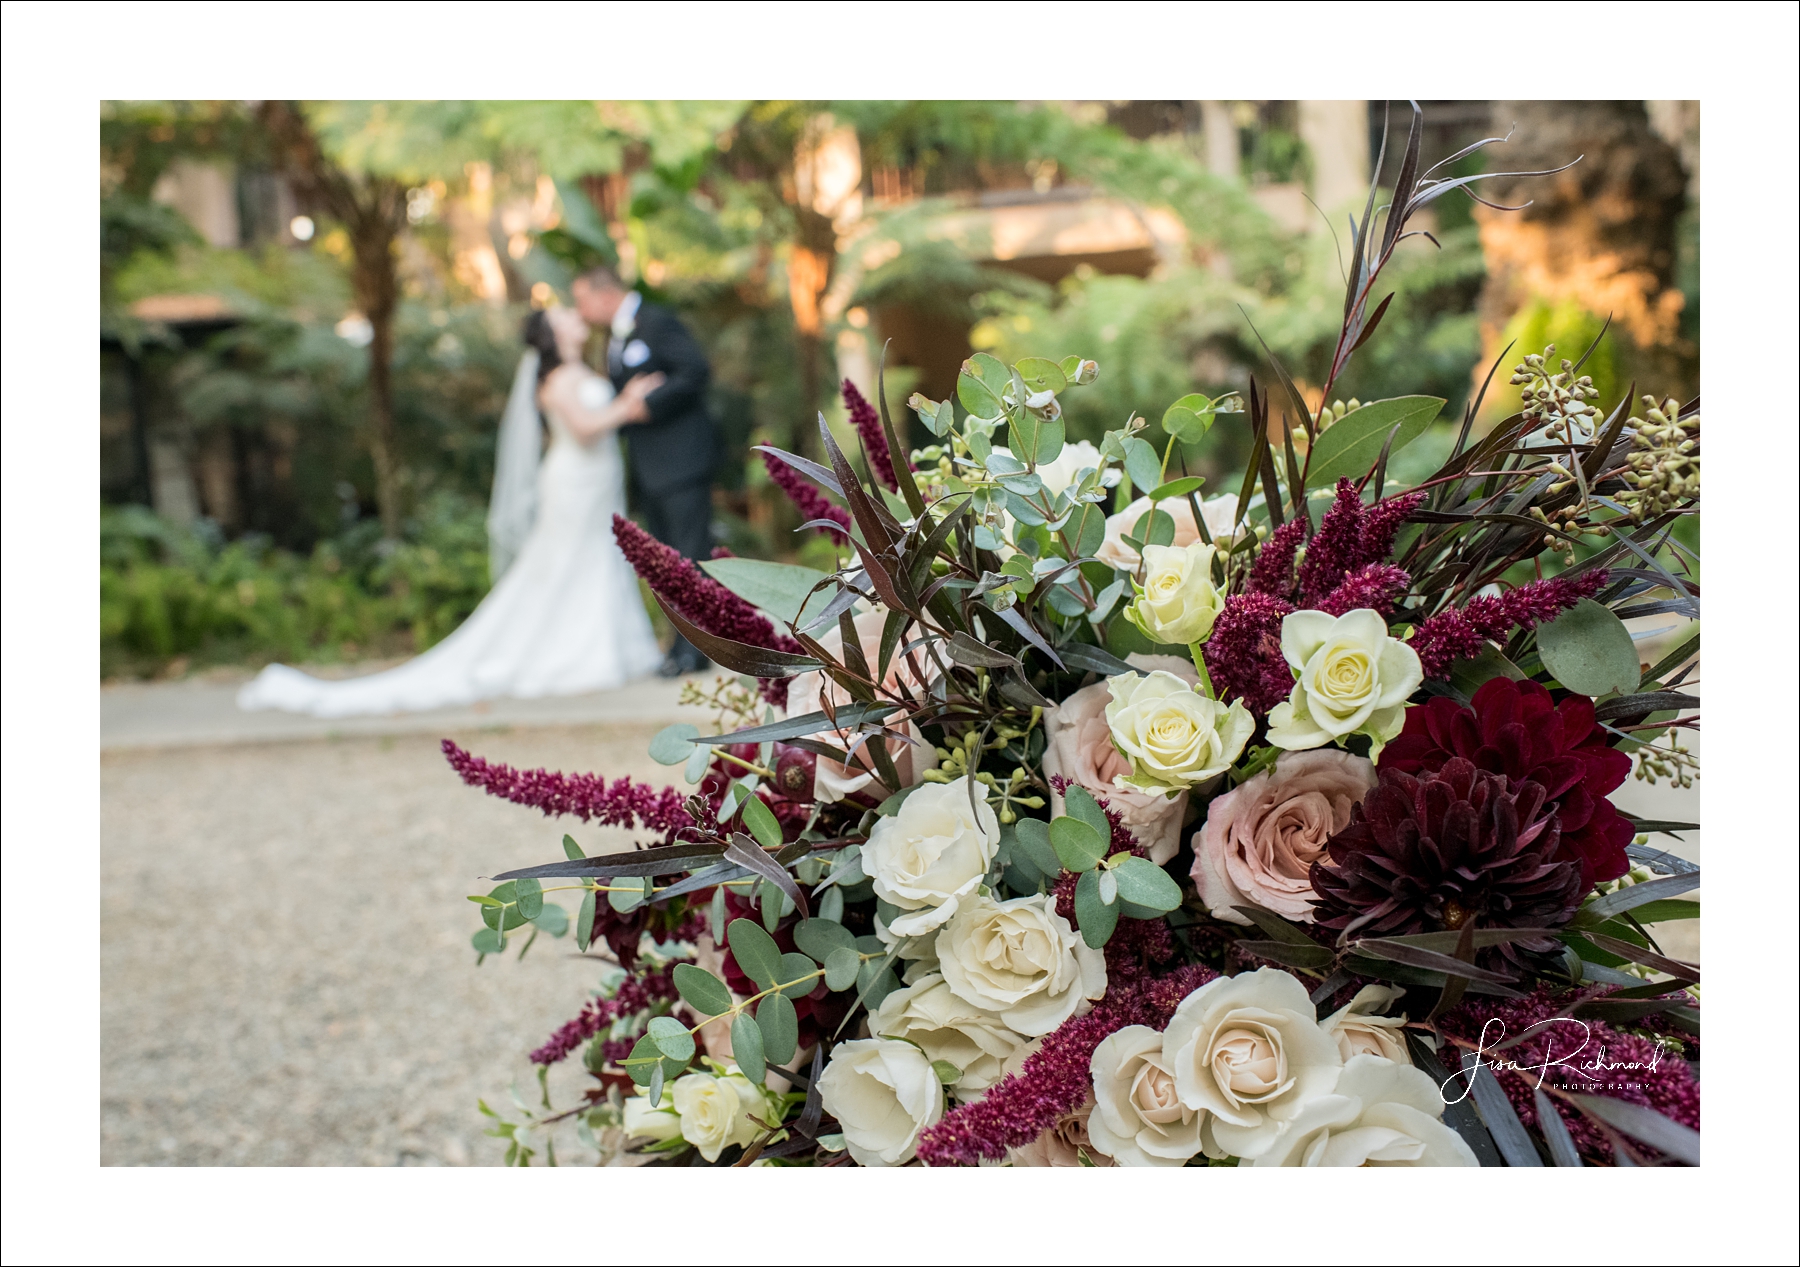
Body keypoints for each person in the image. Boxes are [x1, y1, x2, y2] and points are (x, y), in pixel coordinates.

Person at [236, 307, 664, 718]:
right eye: (564, 316)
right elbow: (584, 429)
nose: (575, 317)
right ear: (554, 335)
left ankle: (606, 647)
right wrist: (627, 404)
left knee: (596, 558)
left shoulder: (581, 371)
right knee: (572, 560)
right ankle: (575, 654)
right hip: (574, 483)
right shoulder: (555, 380)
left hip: (595, 482)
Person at [572, 265, 718, 676]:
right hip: (651, 468)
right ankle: (679, 647)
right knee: (665, 559)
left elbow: (695, 371)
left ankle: (697, 649)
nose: (580, 310)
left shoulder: (656, 322)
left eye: (582, 300)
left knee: (689, 556)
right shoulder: (614, 338)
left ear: (605, 295)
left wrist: (649, 403)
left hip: (682, 461)